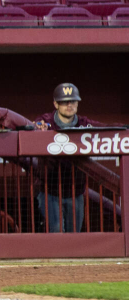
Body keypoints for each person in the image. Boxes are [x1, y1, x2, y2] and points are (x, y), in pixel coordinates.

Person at [31, 83, 103, 234]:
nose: (69, 105)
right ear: (56, 104)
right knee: (56, 231)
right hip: (49, 189)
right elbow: (30, 130)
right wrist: (37, 130)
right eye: (65, 102)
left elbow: (108, 130)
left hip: (75, 190)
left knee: (74, 234)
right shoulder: (45, 121)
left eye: (73, 101)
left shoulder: (84, 124)